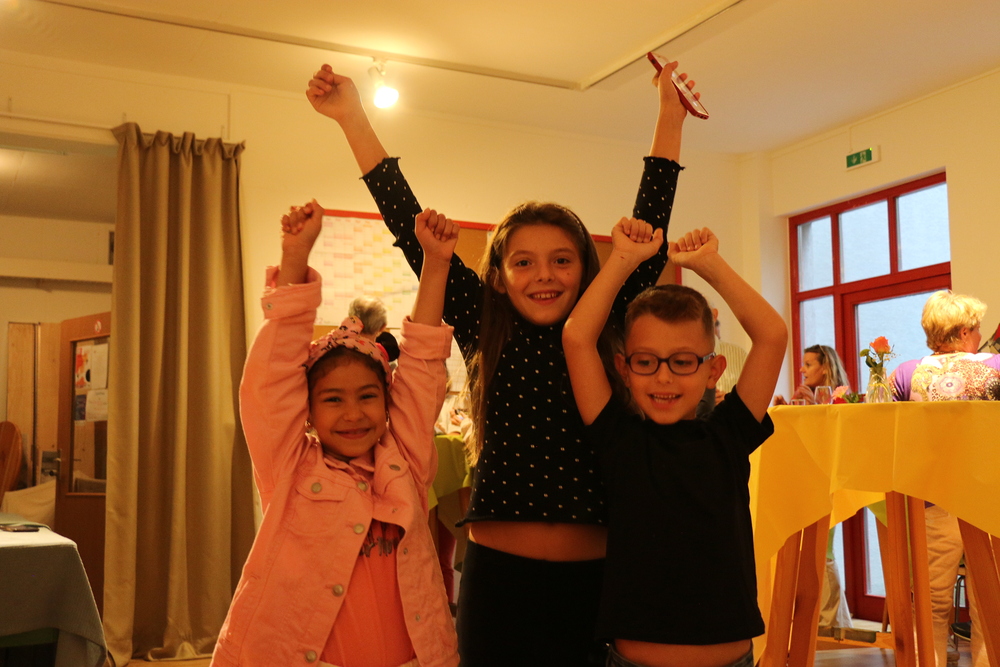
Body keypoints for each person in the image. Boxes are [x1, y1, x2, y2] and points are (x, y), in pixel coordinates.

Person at [307, 57, 694, 664]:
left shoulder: (604, 318)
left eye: (562, 260)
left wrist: (670, 113)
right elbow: (407, 223)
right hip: (497, 577)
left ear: (586, 268)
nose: (544, 276)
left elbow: (650, 223)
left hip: (594, 578)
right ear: (499, 275)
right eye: (523, 262)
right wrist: (351, 116)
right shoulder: (484, 319)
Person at [211, 201, 460, 667]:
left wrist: (436, 263)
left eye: (367, 396)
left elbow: (423, 368)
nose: (353, 414)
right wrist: (295, 259)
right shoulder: (290, 468)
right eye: (332, 400)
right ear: (306, 412)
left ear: (388, 403)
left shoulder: (405, 461)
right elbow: (271, 382)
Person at [563, 222, 786, 667]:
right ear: (624, 369)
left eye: (682, 362)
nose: (663, 377)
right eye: (647, 362)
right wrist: (623, 260)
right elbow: (577, 337)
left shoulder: (729, 434)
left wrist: (710, 265)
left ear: (713, 369)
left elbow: (772, 335)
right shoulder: (618, 438)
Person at [890, 290, 1000, 667]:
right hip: (990, 498)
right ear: (965, 331)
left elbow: (888, 432)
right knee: (990, 602)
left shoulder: (906, 373)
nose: (980, 335)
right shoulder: (996, 367)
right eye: (977, 328)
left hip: (933, 497)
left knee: (931, 603)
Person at [773, 344, 848, 405]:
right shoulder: (803, 394)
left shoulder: (842, 396)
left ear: (826, 368)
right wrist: (784, 410)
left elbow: (836, 418)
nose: (801, 370)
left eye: (808, 365)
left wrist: (813, 406)